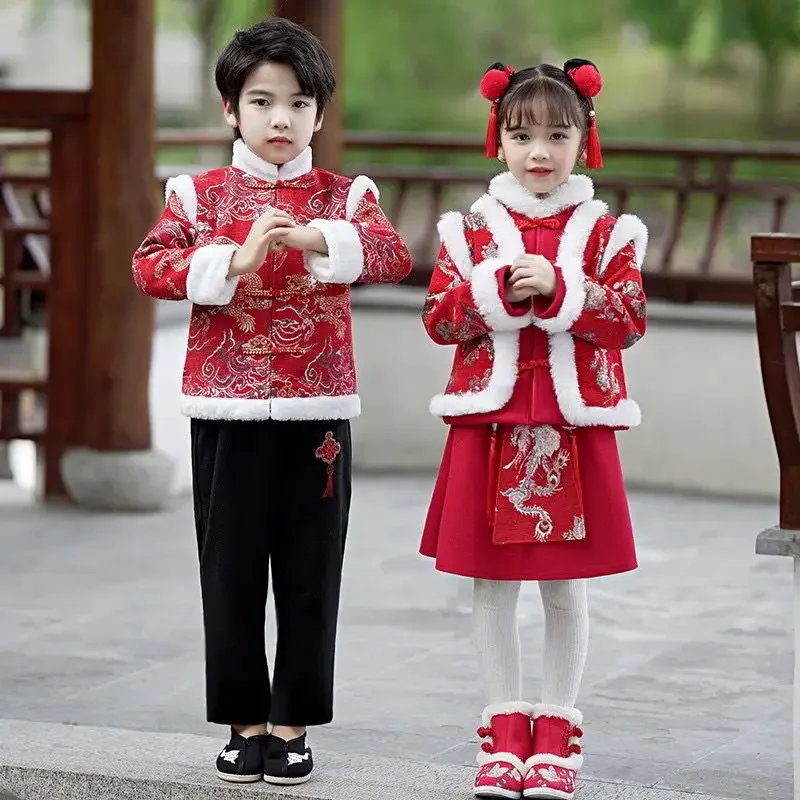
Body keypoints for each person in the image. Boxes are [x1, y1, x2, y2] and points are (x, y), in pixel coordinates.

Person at [131, 16, 411, 787]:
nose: (280, 118)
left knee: (311, 570)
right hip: (224, 411)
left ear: (320, 112)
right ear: (231, 110)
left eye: (296, 102)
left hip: (319, 412)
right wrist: (234, 256)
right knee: (228, 572)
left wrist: (320, 241)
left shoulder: (347, 195)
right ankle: (242, 723)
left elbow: (392, 254)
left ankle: (291, 726)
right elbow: (149, 264)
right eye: (261, 101)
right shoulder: (196, 193)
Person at [419, 58, 648, 800]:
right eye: (522, 135)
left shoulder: (611, 234)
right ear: (499, 139)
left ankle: (558, 732)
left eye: (557, 133)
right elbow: (439, 320)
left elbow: (628, 322)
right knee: (491, 583)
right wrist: (494, 290)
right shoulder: (469, 231)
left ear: (586, 139)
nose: (539, 151)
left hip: (570, 425)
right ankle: (501, 735)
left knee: (564, 587)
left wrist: (563, 289)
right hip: (491, 422)